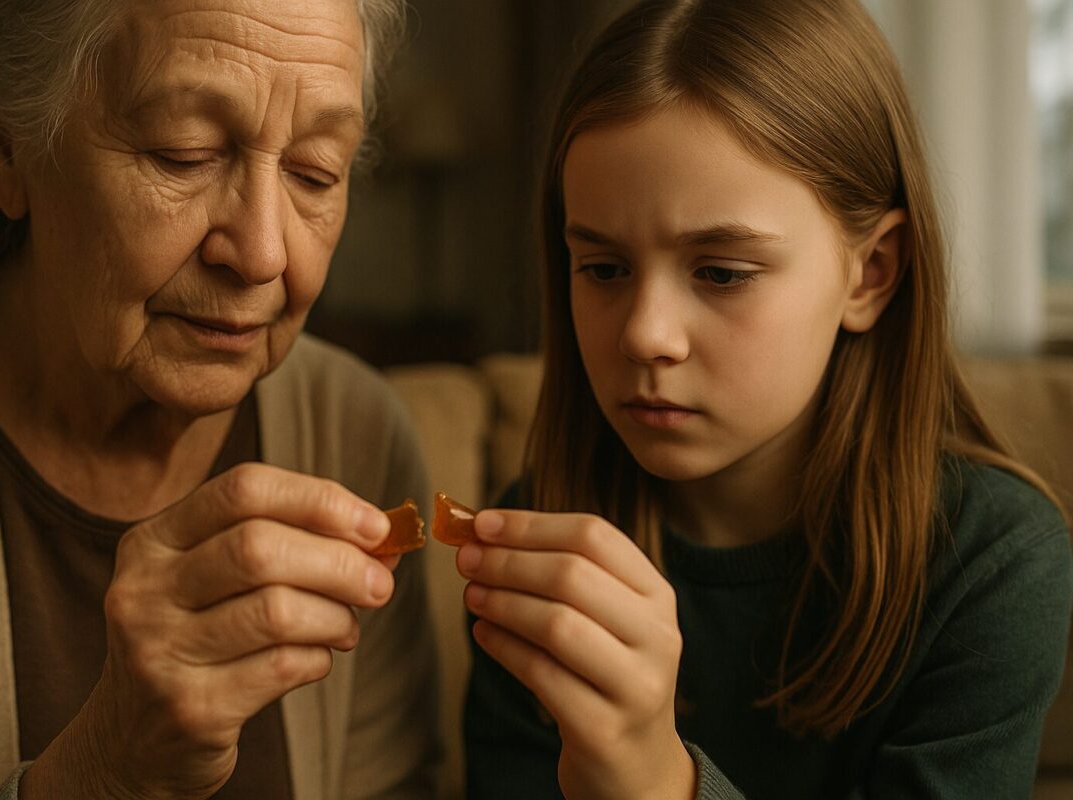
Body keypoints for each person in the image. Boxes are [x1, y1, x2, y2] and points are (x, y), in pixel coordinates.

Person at [458, 0, 1073, 798]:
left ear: (871, 273)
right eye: (604, 269)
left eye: (721, 272)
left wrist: (658, 780)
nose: (645, 335)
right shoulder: (538, 551)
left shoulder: (992, 561)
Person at [0, 0, 440, 798]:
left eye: (314, 171)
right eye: (185, 155)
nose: (262, 254)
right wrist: (108, 769)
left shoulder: (355, 434)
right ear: (8, 153)